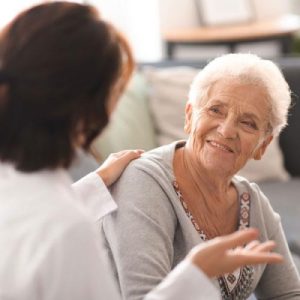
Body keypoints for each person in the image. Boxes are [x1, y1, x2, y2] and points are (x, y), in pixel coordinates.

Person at [0, 2, 283, 300]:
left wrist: (92, 186)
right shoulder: (69, 228)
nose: (226, 130)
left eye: (248, 123)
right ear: (92, 109)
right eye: (116, 93)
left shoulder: (28, 195)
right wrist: (195, 274)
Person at [102, 53, 300, 300]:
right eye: (216, 110)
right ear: (189, 116)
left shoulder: (253, 203)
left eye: (248, 123)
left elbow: (289, 294)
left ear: (263, 145)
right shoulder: (144, 182)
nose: (227, 130)